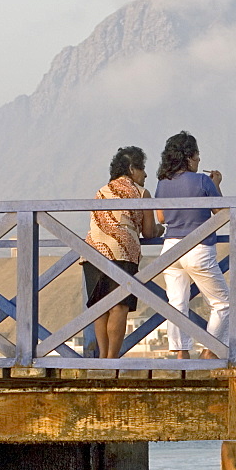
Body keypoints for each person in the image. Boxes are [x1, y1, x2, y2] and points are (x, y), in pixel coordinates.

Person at [83, 146, 163, 358]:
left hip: (92, 250)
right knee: (119, 306)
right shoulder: (141, 193)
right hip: (121, 250)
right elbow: (148, 231)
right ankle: (112, 358)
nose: (145, 174)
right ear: (131, 169)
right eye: (142, 168)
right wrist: (160, 230)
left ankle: (102, 358)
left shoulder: (101, 191)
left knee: (100, 306)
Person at [155, 131, 229, 360]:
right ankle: (210, 350)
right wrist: (216, 185)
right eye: (197, 157)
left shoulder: (162, 183)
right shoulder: (203, 181)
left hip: (171, 249)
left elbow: (160, 218)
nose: (199, 161)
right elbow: (223, 214)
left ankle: (180, 354)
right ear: (188, 157)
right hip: (198, 248)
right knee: (223, 303)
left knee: (176, 304)